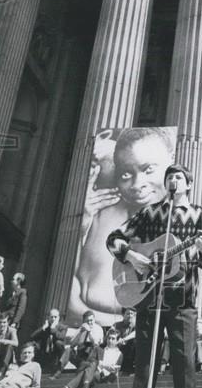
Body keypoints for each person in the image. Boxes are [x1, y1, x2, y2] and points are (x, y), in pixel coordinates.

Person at [106, 162, 202, 388]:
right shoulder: (150, 213)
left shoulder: (201, 216)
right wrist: (131, 255)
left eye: (179, 176)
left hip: (183, 303)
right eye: (169, 176)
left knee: (185, 377)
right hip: (149, 302)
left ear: (189, 185)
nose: (173, 180)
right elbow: (114, 237)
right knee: (144, 376)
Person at [72, 126, 174, 322]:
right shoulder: (101, 212)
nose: (137, 185)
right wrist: (82, 222)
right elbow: (70, 300)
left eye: (148, 170)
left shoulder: (182, 221)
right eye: (126, 174)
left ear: (171, 160)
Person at [49, 329, 124, 388]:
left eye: (113, 339)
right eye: (109, 338)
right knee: (91, 365)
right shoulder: (100, 349)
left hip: (107, 377)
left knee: (90, 368)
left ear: (117, 340)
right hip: (95, 373)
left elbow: (116, 369)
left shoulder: (119, 354)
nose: (110, 341)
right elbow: (92, 360)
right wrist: (105, 365)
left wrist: (104, 365)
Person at [57, 310, 103, 374]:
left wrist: (89, 332)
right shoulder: (81, 329)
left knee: (93, 348)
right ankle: (59, 370)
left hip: (92, 358)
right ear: (84, 322)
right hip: (80, 357)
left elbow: (96, 344)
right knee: (68, 350)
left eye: (91, 320)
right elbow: (72, 344)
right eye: (87, 321)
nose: (89, 322)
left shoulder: (98, 329)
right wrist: (80, 333)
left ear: (94, 319)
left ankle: (83, 367)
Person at [30, 308, 68, 373]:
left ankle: (59, 366)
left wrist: (53, 328)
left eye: (55, 317)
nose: (53, 319)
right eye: (51, 317)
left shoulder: (63, 327)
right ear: (48, 318)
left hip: (57, 353)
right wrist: (43, 328)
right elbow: (32, 336)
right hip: (45, 353)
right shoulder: (46, 327)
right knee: (33, 344)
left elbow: (61, 337)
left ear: (58, 318)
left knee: (58, 343)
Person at [112, 308, 137, 373]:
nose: (130, 316)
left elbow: (136, 333)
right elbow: (112, 334)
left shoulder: (136, 325)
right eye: (128, 314)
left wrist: (124, 339)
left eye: (132, 314)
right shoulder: (117, 325)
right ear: (123, 315)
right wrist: (118, 339)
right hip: (119, 348)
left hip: (131, 349)